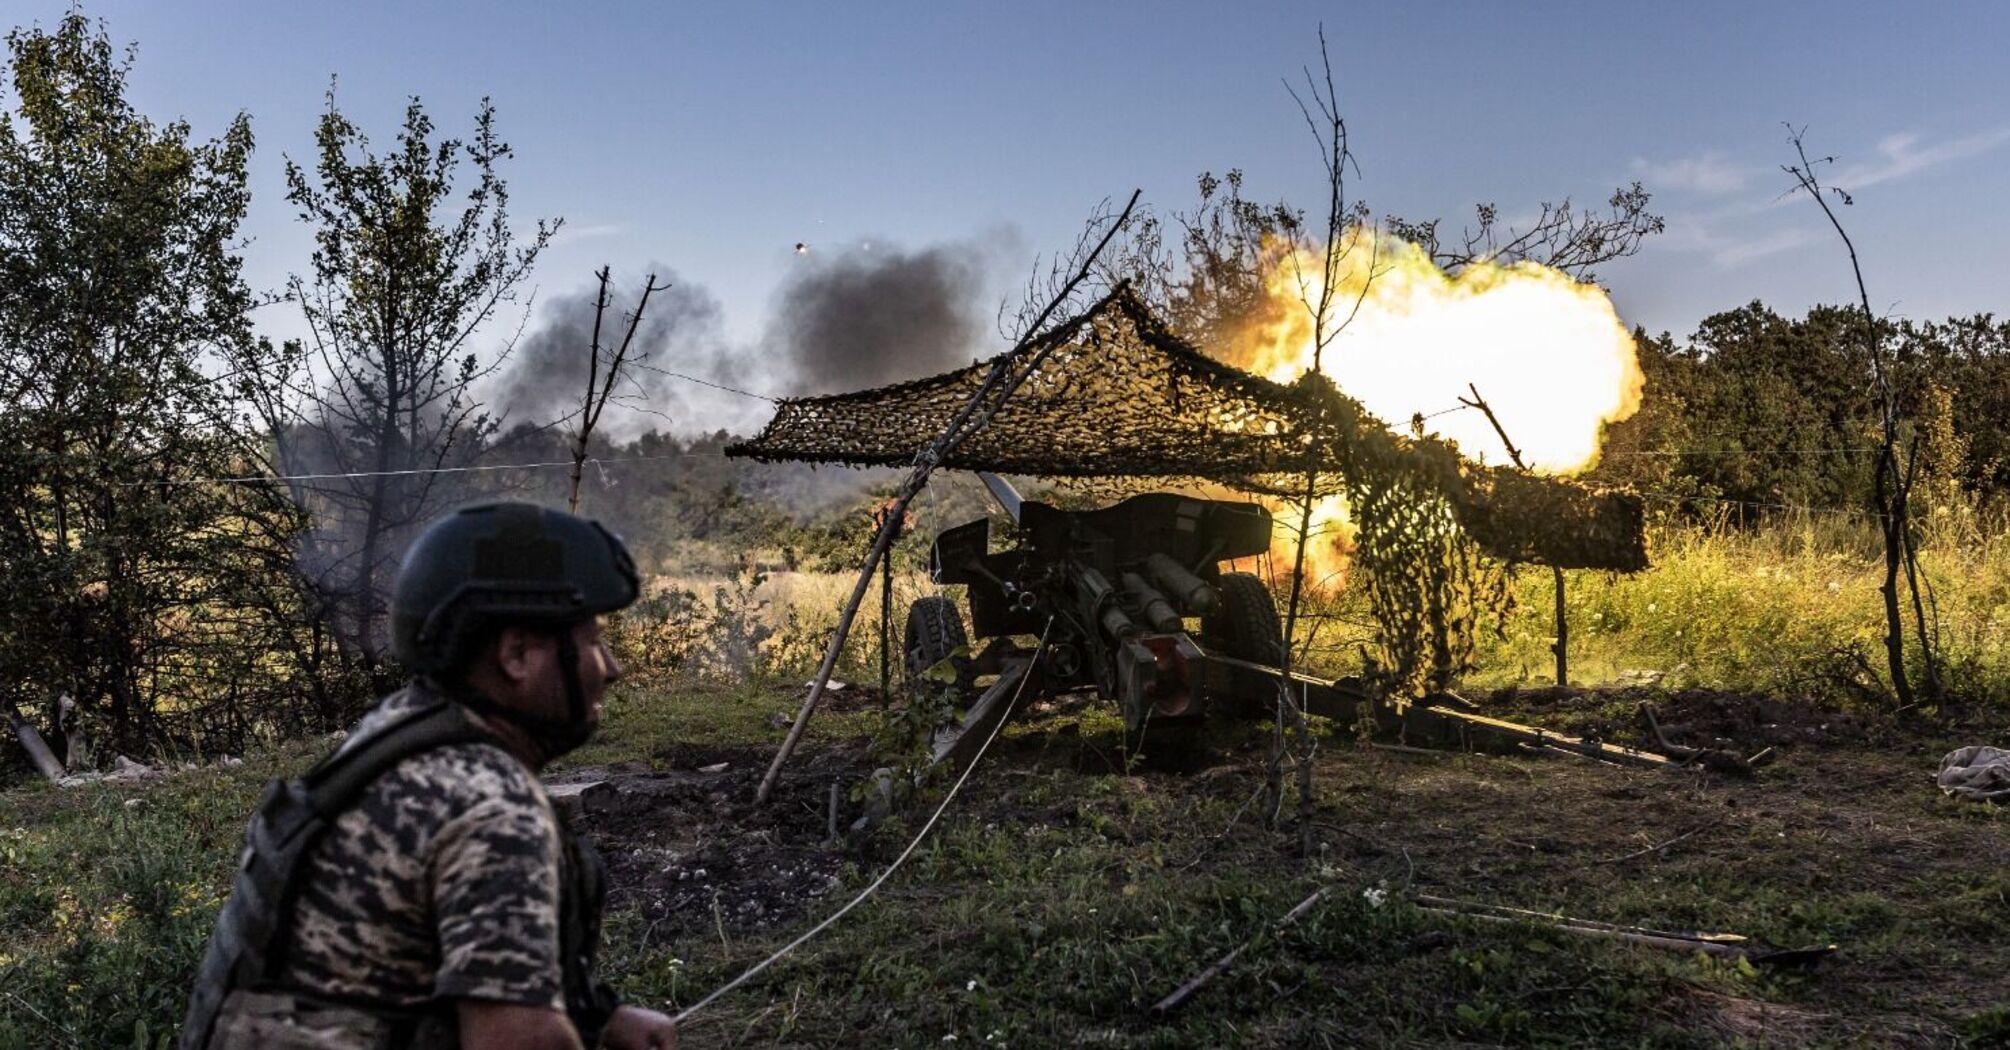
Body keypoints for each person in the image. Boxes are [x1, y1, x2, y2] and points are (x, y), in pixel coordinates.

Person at [182, 502, 678, 1050]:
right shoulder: (490, 805)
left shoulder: (394, 727)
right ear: (516, 655)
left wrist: (600, 1022)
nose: (611, 667)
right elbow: (516, 1041)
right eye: (590, 641)